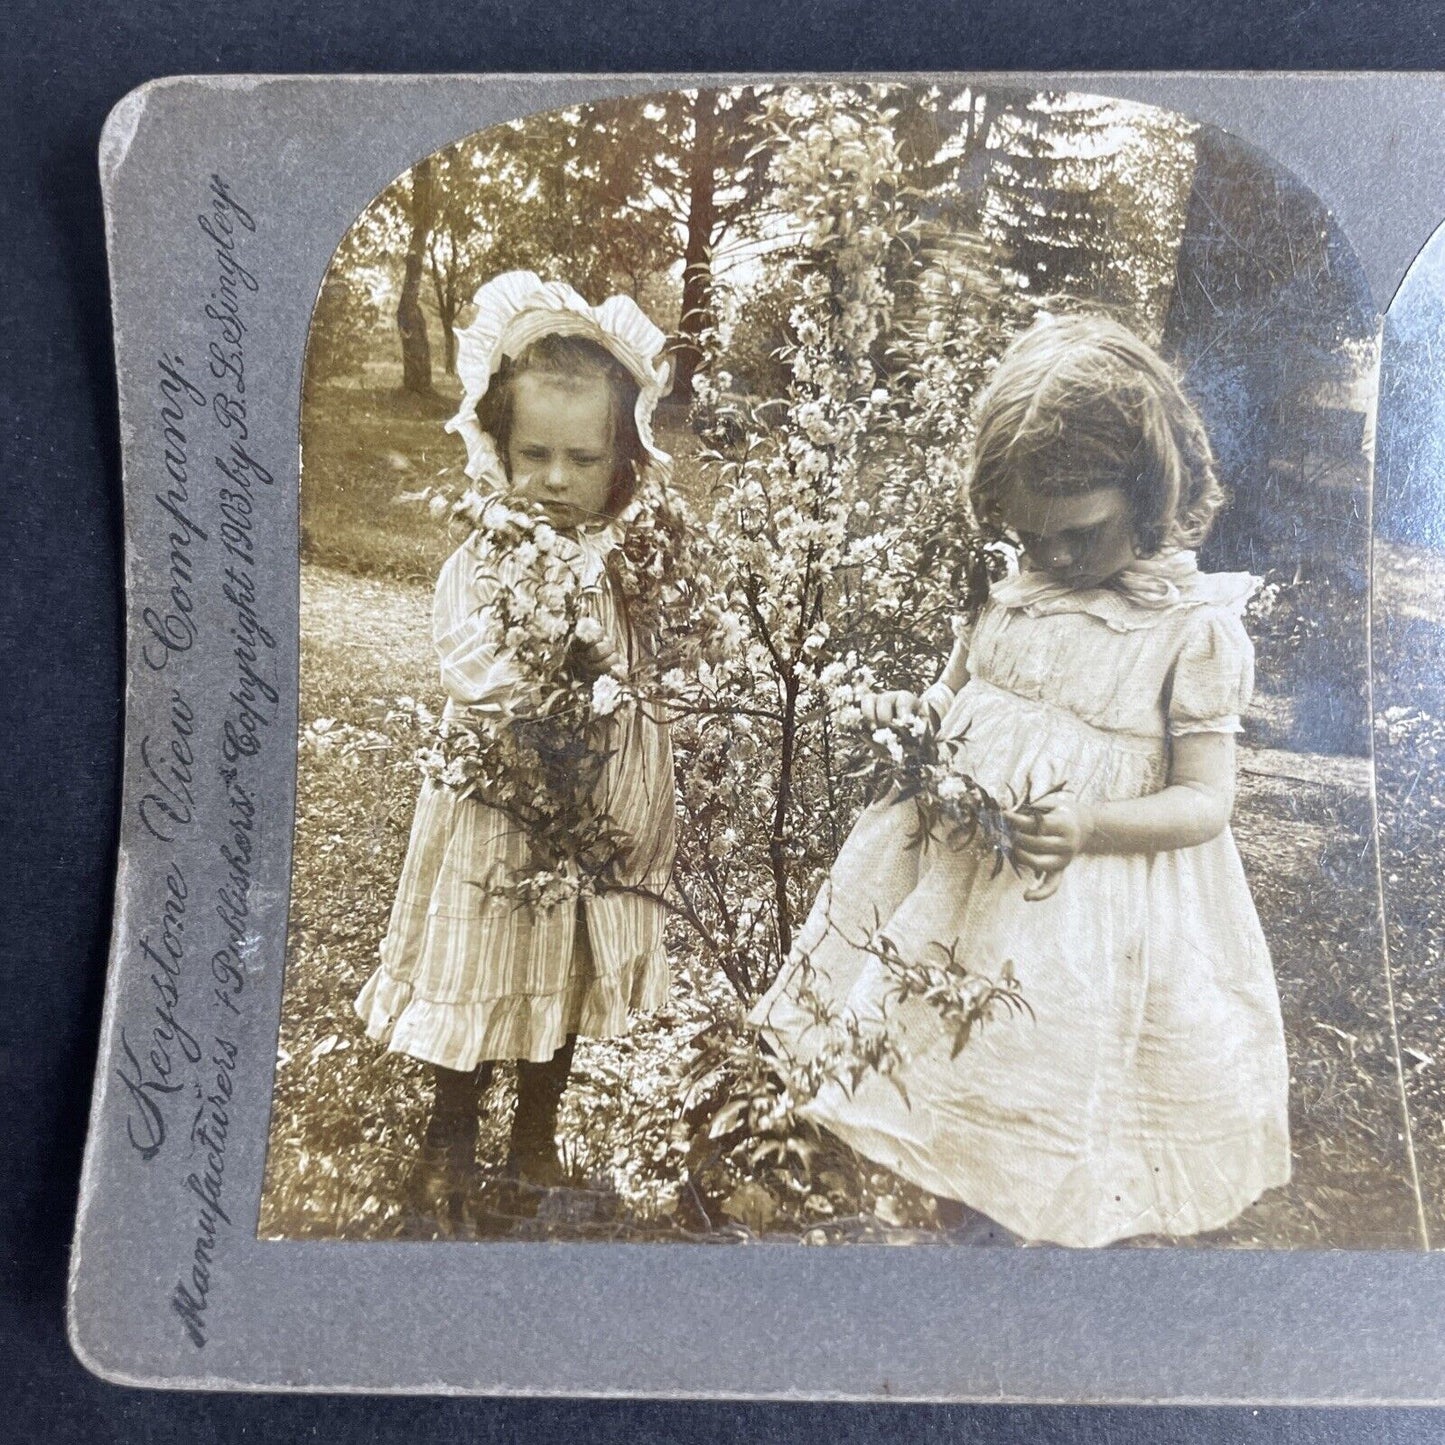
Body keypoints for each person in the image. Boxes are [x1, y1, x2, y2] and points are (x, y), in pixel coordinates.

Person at [751, 314, 1292, 1248]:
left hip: (1083, 921)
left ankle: (1016, 1269)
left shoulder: (1188, 630)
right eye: (1028, 534)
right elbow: (957, 693)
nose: (1051, 558)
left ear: (1148, 491)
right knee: (953, 1081)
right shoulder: (1011, 585)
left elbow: (1206, 802)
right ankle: (967, 1236)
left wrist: (1090, 822)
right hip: (958, 897)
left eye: (1077, 534)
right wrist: (911, 718)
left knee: (1038, 1094)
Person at [355, 272, 677, 1220]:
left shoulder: (621, 565)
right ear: (496, 446)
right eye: (533, 452)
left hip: (589, 813)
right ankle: (447, 1140)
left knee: (565, 967)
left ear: (621, 461)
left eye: (583, 458)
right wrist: (555, 692)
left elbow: (645, 666)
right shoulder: (482, 557)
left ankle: (535, 1137)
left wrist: (620, 689)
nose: (554, 479)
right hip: (501, 801)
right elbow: (470, 664)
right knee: (482, 956)